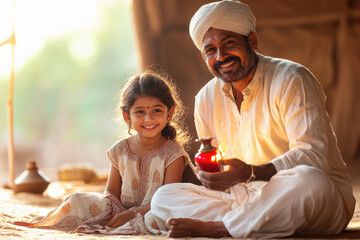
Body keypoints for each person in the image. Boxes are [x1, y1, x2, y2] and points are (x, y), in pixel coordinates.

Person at [146, 0, 356, 238]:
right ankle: (252, 223)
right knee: (164, 197)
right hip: (242, 199)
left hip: (307, 196)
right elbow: (216, 163)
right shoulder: (206, 98)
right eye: (210, 50)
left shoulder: (292, 79)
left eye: (229, 44)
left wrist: (251, 172)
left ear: (252, 41)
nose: (221, 56)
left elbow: (313, 156)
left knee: (310, 181)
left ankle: (222, 227)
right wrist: (209, 176)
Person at [13, 70, 191, 235]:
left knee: (160, 219)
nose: (148, 118)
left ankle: (123, 226)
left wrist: (130, 215)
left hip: (154, 212)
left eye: (156, 110)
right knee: (77, 199)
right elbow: (111, 193)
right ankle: (51, 221)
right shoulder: (120, 150)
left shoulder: (173, 153)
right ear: (126, 116)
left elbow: (167, 201)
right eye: (140, 112)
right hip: (119, 211)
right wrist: (111, 212)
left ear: (170, 112)